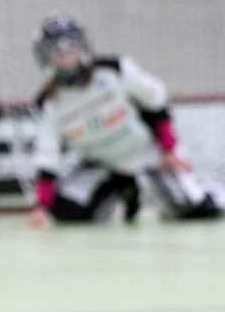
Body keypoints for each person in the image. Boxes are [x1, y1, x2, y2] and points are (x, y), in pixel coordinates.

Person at [28, 15, 222, 225]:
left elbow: (155, 103)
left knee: (195, 210)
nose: (66, 58)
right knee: (66, 211)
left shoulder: (115, 70)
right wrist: (41, 207)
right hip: (103, 165)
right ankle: (126, 194)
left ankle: (212, 189)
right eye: (58, 53)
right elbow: (47, 158)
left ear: (82, 47)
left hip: (150, 154)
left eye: (71, 50)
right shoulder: (48, 102)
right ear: (46, 57)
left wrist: (168, 150)